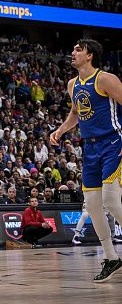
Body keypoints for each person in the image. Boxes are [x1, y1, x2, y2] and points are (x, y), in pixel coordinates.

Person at [49, 39, 122, 282]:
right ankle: (111, 258)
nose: (73, 52)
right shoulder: (72, 84)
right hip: (89, 149)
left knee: (110, 200)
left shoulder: (106, 79)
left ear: (89, 55)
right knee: (91, 205)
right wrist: (60, 131)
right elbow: (75, 114)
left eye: (78, 49)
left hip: (113, 143)